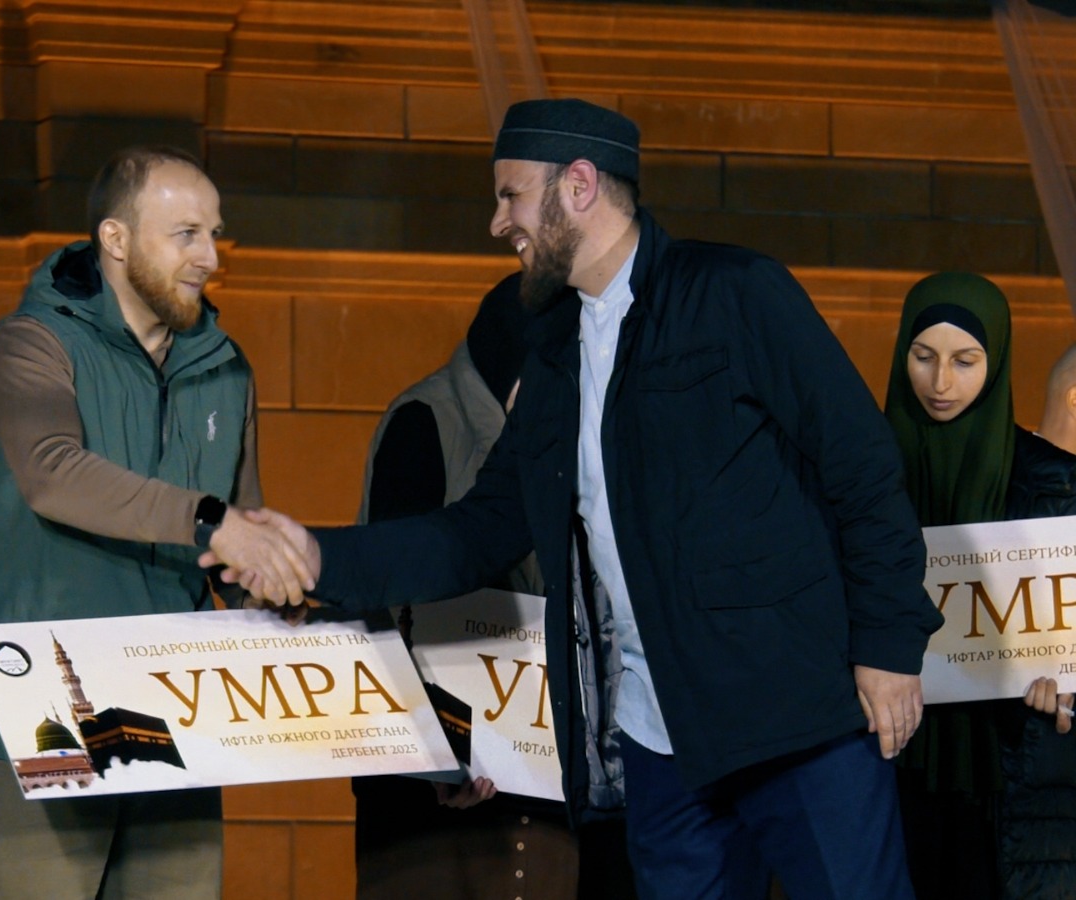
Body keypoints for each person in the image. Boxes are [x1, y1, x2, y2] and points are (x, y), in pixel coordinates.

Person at [206, 98, 943, 900]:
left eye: (511, 195)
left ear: (580, 185)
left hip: (798, 728)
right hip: (658, 752)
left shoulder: (734, 291)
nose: (498, 222)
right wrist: (318, 556)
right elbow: (480, 529)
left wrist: (888, 647)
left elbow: (862, 467)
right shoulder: (554, 351)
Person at [0, 145, 305, 899]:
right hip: (40, 715)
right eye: (186, 235)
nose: (210, 258)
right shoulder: (32, 342)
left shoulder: (226, 368)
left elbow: (238, 540)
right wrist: (210, 521)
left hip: (176, 720)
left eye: (214, 234)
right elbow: (52, 472)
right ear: (115, 239)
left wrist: (278, 589)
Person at [351, 271, 636, 900]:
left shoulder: (566, 428)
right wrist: (443, 747)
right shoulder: (426, 423)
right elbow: (399, 602)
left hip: (538, 757)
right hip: (440, 775)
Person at [883, 274, 1076, 899]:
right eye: (923, 356)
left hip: (1009, 777)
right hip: (885, 764)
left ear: (996, 360)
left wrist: (1067, 684)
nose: (940, 382)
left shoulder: (1054, 484)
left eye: (965, 361)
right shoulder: (859, 475)